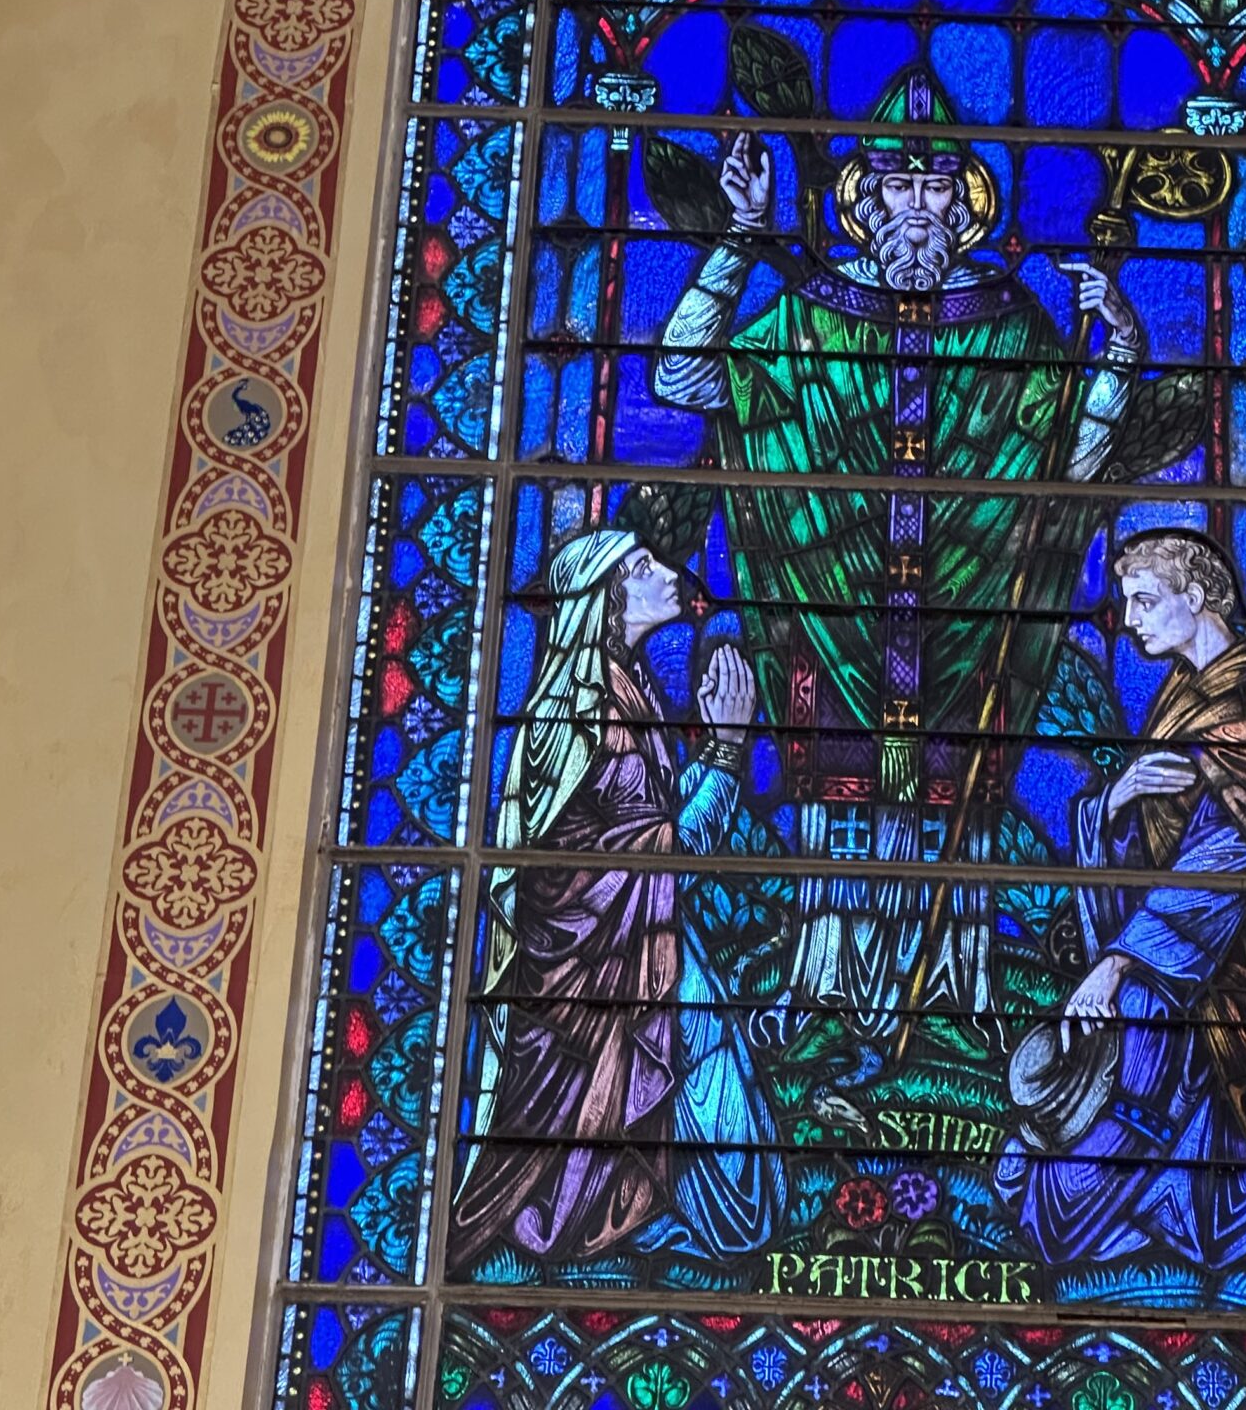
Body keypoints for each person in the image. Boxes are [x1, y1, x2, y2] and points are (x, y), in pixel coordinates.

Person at [653, 63, 1142, 1026]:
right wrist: (743, 240)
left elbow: (1067, 470)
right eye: (896, 187)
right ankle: (826, 988)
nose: (917, 209)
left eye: (935, 189)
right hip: (834, 619)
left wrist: (1118, 354)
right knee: (838, 798)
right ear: (864, 201)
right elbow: (682, 376)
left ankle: (955, 998)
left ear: (964, 205)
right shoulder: (809, 319)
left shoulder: (1010, 328)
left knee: (953, 793)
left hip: (967, 625)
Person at [447, 526, 781, 1275]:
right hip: (589, 987)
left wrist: (713, 758)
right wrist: (727, 750)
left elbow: (649, 839)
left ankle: (653, 1208)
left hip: (639, 953)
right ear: (605, 597)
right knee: (736, 1196)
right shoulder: (585, 715)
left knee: (742, 1168)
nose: (668, 573)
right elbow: (653, 858)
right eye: (644, 565)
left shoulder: (627, 693)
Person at [1003, 526, 1246, 1307]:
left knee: (1082, 1174)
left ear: (1200, 597)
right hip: (1177, 969)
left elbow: (1218, 867)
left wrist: (1116, 966)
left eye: (1145, 601)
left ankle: (1185, 1224)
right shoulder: (1183, 697)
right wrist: (1114, 799)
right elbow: (1154, 853)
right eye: (1126, 603)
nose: (1130, 619)